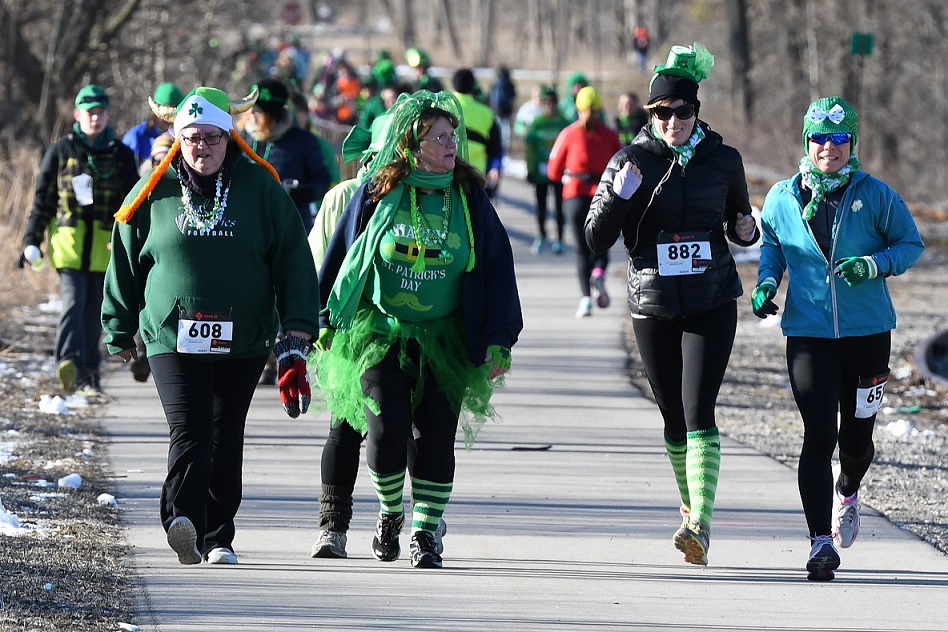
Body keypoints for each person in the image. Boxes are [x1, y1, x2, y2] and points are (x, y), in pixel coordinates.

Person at [100, 86, 321, 566]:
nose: (202, 147)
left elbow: (293, 261)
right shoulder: (153, 189)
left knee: (225, 431)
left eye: (213, 138)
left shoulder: (261, 187)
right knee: (190, 426)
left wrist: (299, 329)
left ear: (231, 137)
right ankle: (182, 519)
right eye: (192, 137)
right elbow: (123, 260)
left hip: (242, 337)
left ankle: (219, 534)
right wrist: (118, 327)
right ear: (178, 139)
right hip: (169, 334)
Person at [311, 90, 522, 568]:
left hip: (446, 335)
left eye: (453, 136)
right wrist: (323, 321)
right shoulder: (375, 193)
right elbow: (340, 258)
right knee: (385, 434)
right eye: (440, 137)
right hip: (380, 332)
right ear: (412, 143)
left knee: (434, 438)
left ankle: (426, 533)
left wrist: (499, 339)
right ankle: (389, 512)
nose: (453, 144)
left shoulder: (469, 198)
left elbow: (496, 268)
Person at [585, 42, 759, 566]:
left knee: (699, 407)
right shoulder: (628, 160)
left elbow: (738, 222)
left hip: (711, 298)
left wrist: (746, 232)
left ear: (695, 112)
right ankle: (688, 507)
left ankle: (700, 524)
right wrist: (618, 195)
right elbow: (596, 239)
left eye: (682, 112)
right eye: (662, 112)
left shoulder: (724, 160)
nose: (672, 121)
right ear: (650, 114)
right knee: (672, 414)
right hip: (653, 303)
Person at [752, 96, 924, 581]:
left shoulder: (876, 194)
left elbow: (911, 244)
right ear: (806, 142)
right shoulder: (785, 197)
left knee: (856, 440)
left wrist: (873, 264)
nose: (829, 147)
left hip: (869, 334)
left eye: (840, 138)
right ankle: (819, 543)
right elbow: (772, 245)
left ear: (853, 143)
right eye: (820, 139)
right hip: (807, 334)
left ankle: (847, 490)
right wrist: (767, 282)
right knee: (818, 434)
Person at [19, 84, 139, 394]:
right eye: (89, 113)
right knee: (74, 304)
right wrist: (31, 239)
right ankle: (67, 363)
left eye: (99, 112)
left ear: (107, 114)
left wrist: (132, 243)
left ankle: (89, 374)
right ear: (77, 115)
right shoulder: (60, 150)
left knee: (94, 312)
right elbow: (42, 200)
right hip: (68, 248)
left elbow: (131, 204)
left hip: (105, 249)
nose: (94, 118)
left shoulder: (121, 154)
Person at [547, 86, 623, 318]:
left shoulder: (568, 134)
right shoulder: (610, 135)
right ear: (599, 108)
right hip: (602, 193)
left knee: (581, 250)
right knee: (602, 240)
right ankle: (599, 271)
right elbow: (622, 163)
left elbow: (552, 170)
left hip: (575, 194)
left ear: (577, 108)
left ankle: (586, 300)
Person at [242, 77, 331, 235]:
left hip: (291, 224)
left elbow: (322, 179)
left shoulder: (303, 140)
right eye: (248, 108)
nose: (250, 113)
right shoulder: (241, 139)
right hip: (250, 223)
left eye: (257, 109)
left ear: (272, 114)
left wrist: (303, 192)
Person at [524, 86, 568, 255]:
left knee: (559, 207)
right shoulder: (537, 123)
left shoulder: (563, 123)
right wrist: (530, 169)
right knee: (541, 206)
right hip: (541, 173)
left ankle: (560, 239)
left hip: (559, 172)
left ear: (557, 104)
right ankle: (541, 235)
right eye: (546, 103)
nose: (549, 106)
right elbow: (530, 148)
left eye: (552, 103)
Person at [452, 68, 503, 197]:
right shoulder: (486, 114)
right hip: (476, 176)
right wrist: (495, 168)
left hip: (446, 173)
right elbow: (496, 148)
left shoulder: (442, 108)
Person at [122, 82, 185, 170]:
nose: (169, 117)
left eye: (174, 111)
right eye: (165, 110)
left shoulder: (186, 137)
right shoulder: (136, 136)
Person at [489, 65, 517, 151]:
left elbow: (491, 96)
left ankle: (498, 146)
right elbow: (513, 96)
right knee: (506, 131)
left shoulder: (494, 83)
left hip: (496, 110)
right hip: (506, 111)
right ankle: (505, 148)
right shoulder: (509, 84)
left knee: (497, 130)